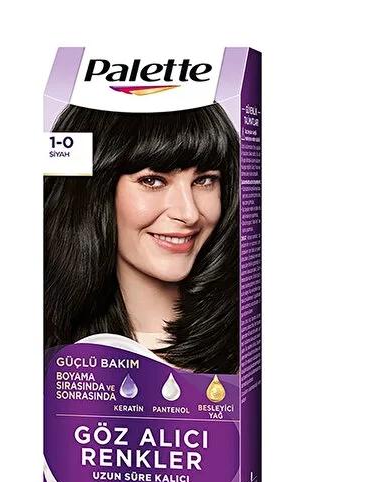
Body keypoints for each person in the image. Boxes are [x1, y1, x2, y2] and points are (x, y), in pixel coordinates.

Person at [44, 103, 239, 373]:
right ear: (92, 192)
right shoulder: (48, 344)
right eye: (153, 181)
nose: (189, 213)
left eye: (204, 180)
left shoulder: (245, 342)